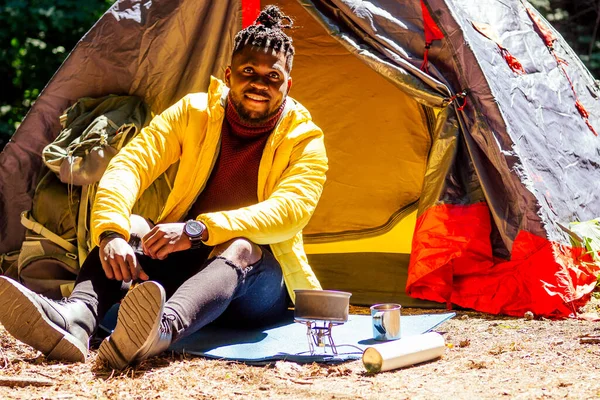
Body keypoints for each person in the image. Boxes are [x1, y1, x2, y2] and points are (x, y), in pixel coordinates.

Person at [0, 5, 327, 370]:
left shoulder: (304, 138)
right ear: (229, 74)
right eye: (249, 71)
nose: (259, 84)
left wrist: (198, 230)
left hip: (257, 286)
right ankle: (77, 318)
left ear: (288, 84)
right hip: (187, 271)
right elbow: (130, 164)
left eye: (273, 77)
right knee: (135, 226)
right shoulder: (194, 112)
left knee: (241, 246)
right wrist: (110, 232)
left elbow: (290, 212)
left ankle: (158, 330)